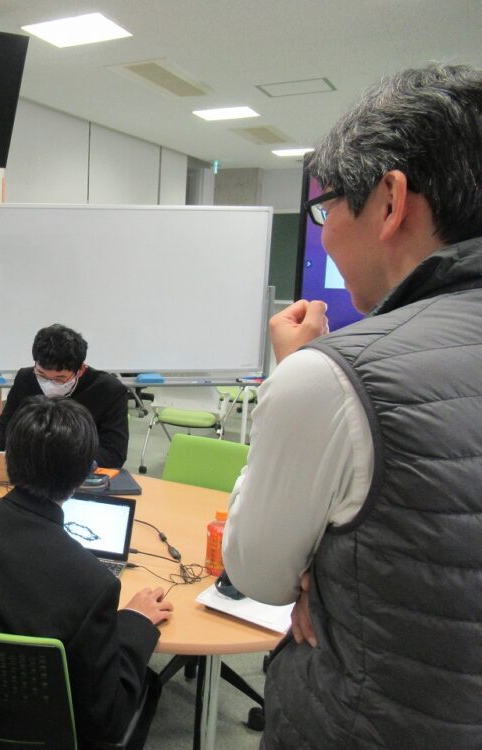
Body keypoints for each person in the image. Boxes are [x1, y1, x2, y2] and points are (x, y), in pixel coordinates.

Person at [222, 64, 482, 749]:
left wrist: (328, 576)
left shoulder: (332, 379)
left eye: (327, 205)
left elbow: (258, 577)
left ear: (391, 201)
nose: (327, 232)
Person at [0, 397, 172, 747]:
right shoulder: (92, 581)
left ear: (9, 460)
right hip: (32, 734)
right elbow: (107, 719)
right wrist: (135, 621)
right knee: (147, 682)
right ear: (83, 476)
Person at [0, 323, 130, 468]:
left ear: (80, 370)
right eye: (41, 375)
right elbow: (6, 424)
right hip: (30, 472)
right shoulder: (25, 378)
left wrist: (63, 462)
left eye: (60, 378)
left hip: (80, 474)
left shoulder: (109, 390)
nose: (49, 384)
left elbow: (114, 452)